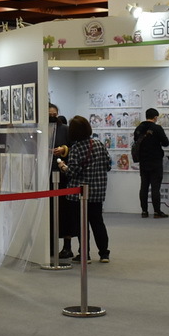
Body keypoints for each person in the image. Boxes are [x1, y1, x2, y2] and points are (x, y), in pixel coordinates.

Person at [55, 115, 112, 262]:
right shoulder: (99, 144)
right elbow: (108, 165)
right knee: (98, 222)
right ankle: (104, 253)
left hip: (79, 194)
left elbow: (72, 172)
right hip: (98, 192)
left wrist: (62, 166)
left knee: (82, 225)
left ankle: (85, 254)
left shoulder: (76, 148)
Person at [48, 103, 75, 260]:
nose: (52, 117)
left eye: (54, 114)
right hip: (45, 177)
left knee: (65, 213)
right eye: (49, 114)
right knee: (49, 213)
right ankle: (50, 245)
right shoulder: (40, 130)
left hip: (63, 177)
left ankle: (67, 246)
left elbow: (74, 147)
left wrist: (64, 150)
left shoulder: (65, 129)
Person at [133, 108, 169, 218]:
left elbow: (136, 141)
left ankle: (144, 211)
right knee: (155, 187)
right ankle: (157, 212)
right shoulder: (157, 128)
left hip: (143, 161)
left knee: (144, 186)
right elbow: (165, 143)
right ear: (155, 117)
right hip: (155, 161)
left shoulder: (139, 128)